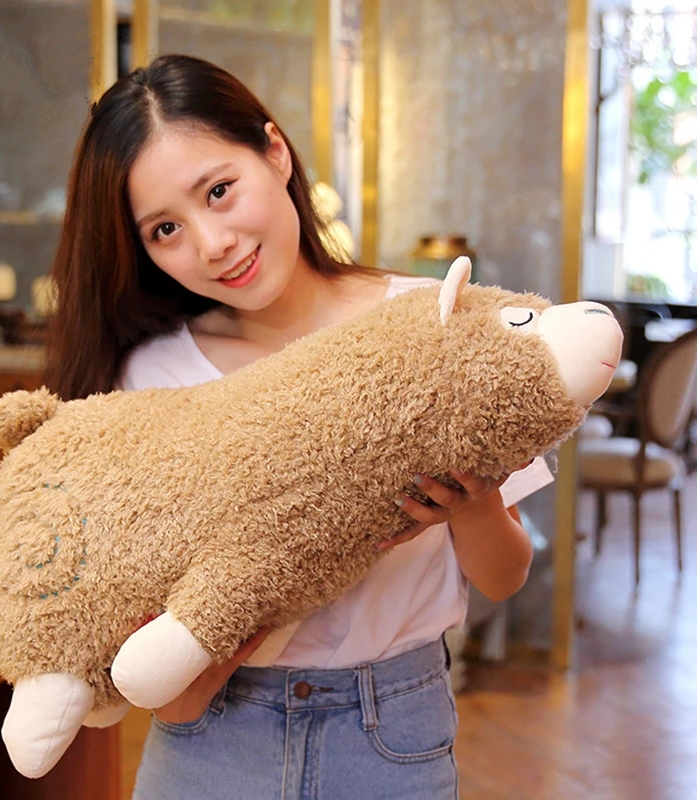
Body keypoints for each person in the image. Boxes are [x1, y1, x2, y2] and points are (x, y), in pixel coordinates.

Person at [43, 53, 553, 800]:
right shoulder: (153, 376)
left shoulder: (430, 321)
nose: (212, 243)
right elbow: (167, 691)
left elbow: (505, 577)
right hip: (212, 743)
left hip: (390, 733)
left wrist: (474, 506)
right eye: (165, 228)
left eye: (219, 191)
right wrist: (256, 592)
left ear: (275, 152)